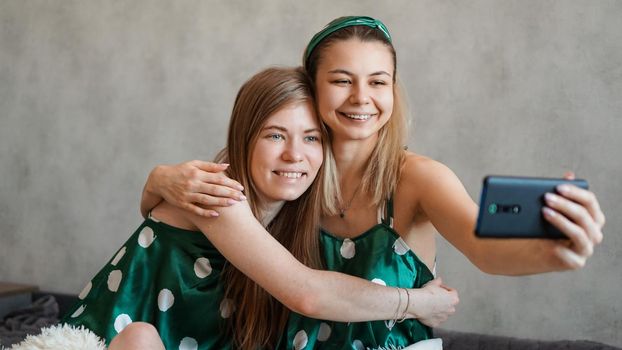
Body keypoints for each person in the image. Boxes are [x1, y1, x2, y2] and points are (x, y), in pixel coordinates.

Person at [141, 16, 606, 349]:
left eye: (379, 82)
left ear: (393, 90)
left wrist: (552, 253)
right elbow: (189, 213)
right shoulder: (292, 171)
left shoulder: (417, 177)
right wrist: (161, 176)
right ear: (313, 88)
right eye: (342, 81)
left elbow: (485, 249)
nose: (362, 98)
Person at [62, 66, 458, 350]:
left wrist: (156, 180)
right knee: (141, 340)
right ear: (245, 139)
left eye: (311, 138)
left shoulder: (296, 210)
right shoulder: (222, 195)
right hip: (115, 340)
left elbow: (328, 286)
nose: (294, 155)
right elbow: (307, 293)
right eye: (275, 135)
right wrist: (418, 302)